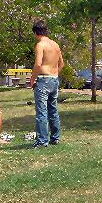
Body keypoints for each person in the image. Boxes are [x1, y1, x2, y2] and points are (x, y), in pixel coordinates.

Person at [30, 20, 64, 148]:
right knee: (53, 110)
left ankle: (42, 141)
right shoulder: (55, 44)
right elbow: (62, 64)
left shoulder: (40, 45)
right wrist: (54, 73)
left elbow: (38, 64)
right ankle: (55, 138)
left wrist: (32, 79)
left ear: (35, 32)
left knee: (42, 112)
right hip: (54, 79)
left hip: (43, 80)